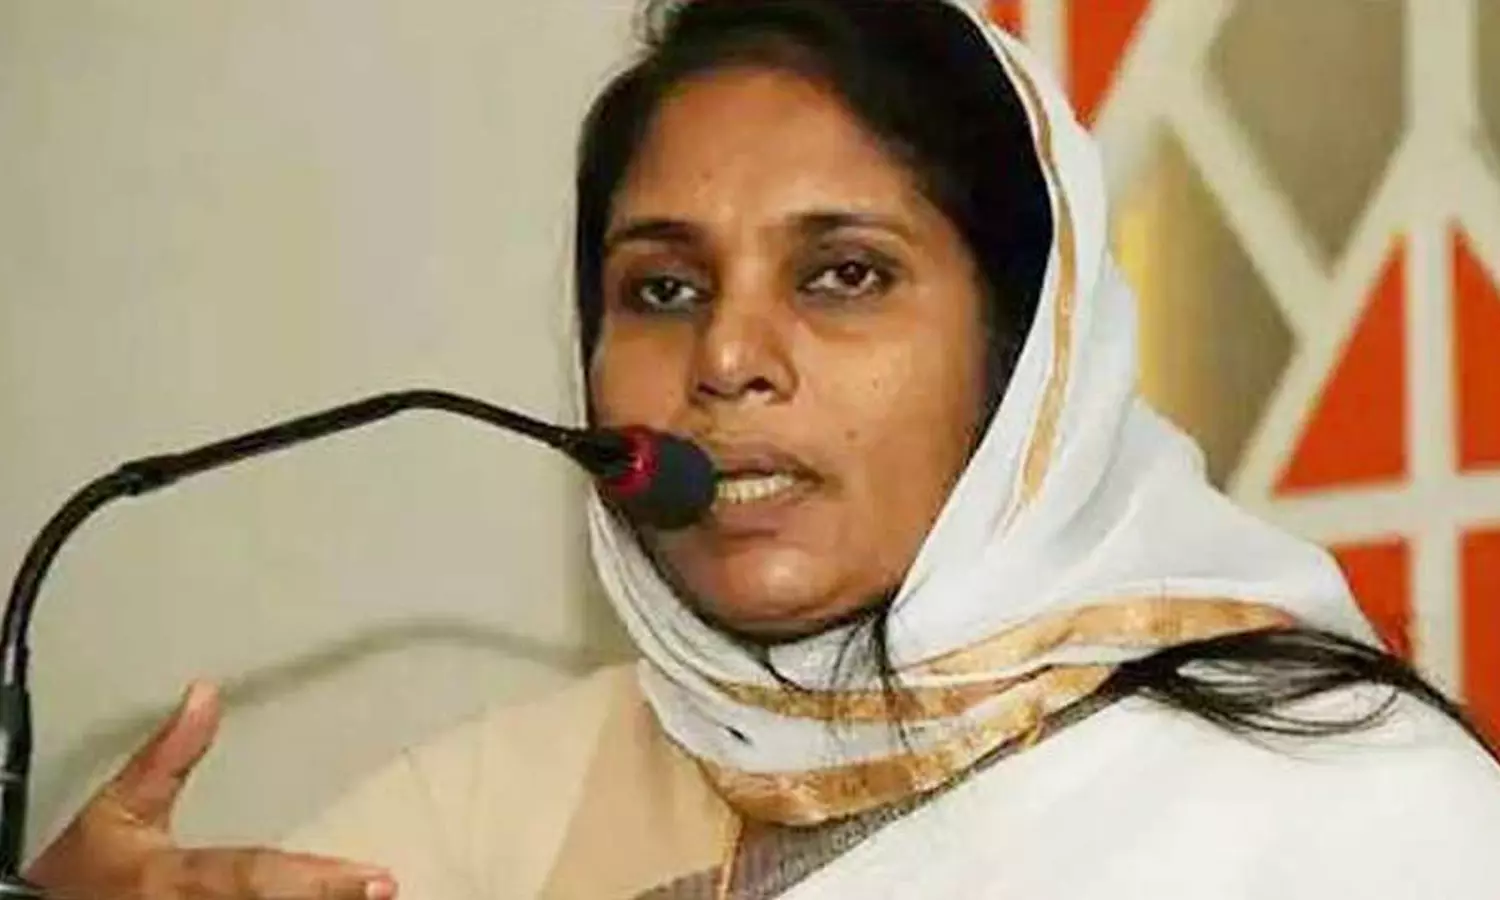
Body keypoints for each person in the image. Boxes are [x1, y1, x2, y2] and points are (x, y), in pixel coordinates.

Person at [27, 0, 1500, 897]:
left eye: (843, 274)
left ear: (1029, 359)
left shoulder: (1339, 812)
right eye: (662, 290)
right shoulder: (484, 816)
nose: (726, 358)